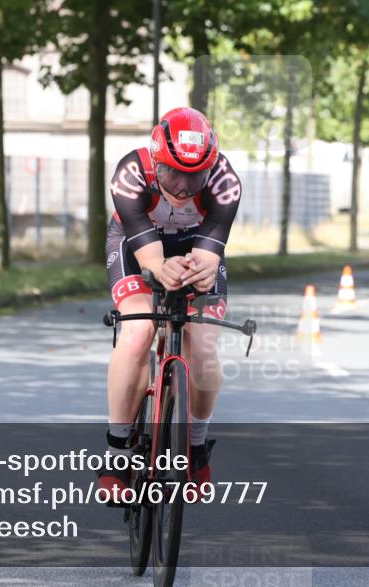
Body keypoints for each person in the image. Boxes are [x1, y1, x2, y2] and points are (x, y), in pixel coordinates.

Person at [98, 107, 242, 501]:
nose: (180, 188)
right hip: (137, 245)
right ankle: (117, 452)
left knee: (205, 345)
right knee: (138, 331)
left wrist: (199, 270)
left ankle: (195, 448)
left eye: (193, 177)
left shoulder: (225, 182)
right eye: (171, 174)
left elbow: (209, 260)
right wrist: (162, 268)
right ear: (155, 160)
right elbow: (151, 261)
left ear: (209, 170)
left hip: (195, 248)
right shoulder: (131, 173)